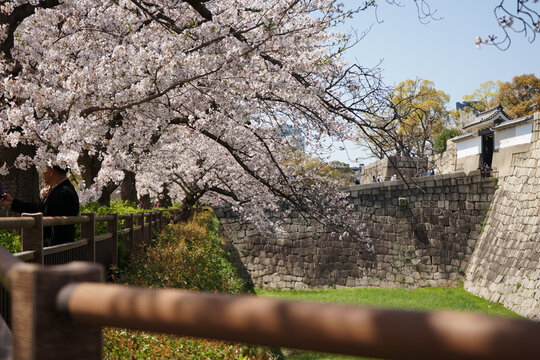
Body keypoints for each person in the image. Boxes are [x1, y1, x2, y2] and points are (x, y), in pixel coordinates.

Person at [0, 165, 79, 246]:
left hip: (56, 252)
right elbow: (41, 209)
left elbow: (60, 232)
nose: (41, 173)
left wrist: (44, 249)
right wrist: (13, 203)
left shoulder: (64, 193)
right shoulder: (59, 189)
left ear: (51, 171)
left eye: (43, 169)